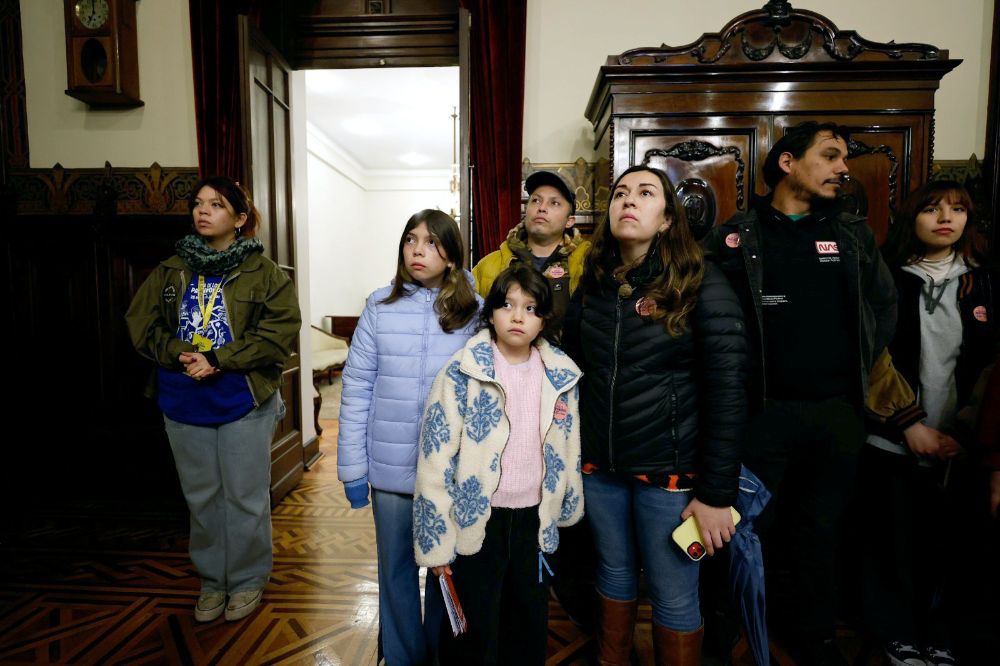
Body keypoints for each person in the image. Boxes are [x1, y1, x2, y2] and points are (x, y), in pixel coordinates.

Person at [702, 121, 897, 664]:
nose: (843, 169)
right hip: (760, 418)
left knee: (817, 539)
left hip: (836, 417)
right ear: (787, 163)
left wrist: (853, 361)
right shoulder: (735, 235)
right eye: (830, 156)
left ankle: (813, 638)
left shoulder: (853, 235)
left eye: (846, 159)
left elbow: (883, 307)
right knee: (738, 534)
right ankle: (725, 639)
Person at [563, 165, 747, 665]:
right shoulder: (596, 284)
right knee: (613, 575)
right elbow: (571, 370)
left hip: (670, 475)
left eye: (645, 193)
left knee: (673, 594)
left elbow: (729, 395)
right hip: (600, 468)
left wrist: (715, 495)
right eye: (621, 193)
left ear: (667, 219)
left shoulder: (701, 282)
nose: (628, 200)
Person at [125, 176, 301, 623]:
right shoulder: (171, 268)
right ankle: (212, 582)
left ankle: (246, 580)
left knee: (243, 497)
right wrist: (178, 354)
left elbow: (279, 332)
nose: (203, 211)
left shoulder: (265, 273)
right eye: (199, 204)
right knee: (202, 498)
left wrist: (219, 359)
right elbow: (141, 323)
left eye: (217, 205)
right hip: (183, 398)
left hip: (241, 397)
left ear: (239, 219)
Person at [412, 265, 584, 666]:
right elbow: (435, 458)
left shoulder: (561, 375)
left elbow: (569, 449)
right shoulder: (462, 371)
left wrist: (565, 511)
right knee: (473, 629)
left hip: (534, 522)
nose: (518, 316)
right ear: (490, 313)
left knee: (527, 626)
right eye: (507, 305)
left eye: (531, 307)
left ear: (543, 319)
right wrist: (436, 544)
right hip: (477, 523)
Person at [861, 181, 997, 666]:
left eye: (957, 210)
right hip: (893, 436)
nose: (946, 218)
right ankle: (895, 634)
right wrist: (910, 425)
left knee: (952, 548)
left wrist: (963, 432)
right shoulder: (886, 278)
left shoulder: (983, 283)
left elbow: (990, 368)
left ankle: (939, 635)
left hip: (960, 444)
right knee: (893, 544)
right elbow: (872, 356)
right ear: (910, 218)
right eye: (932, 209)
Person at [337, 209, 480, 666]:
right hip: (391, 473)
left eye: (433, 242)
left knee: (446, 571)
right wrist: (353, 470)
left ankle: (440, 656)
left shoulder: (473, 313)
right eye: (411, 240)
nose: (418, 250)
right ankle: (400, 658)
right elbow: (356, 387)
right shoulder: (379, 307)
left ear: (453, 255)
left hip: (450, 474)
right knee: (396, 572)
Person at [472, 170, 591, 335]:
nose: (542, 208)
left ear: (569, 221)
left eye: (554, 203)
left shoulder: (588, 262)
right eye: (535, 200)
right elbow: (472, 324)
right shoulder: (489, 265)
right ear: (526, 211)